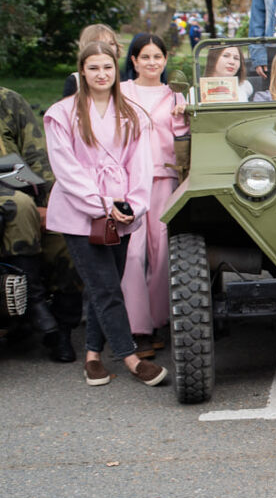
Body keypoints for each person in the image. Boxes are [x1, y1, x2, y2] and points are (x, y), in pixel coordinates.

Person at [43, 41, 167, 387]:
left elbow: (140, 164)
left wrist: (133, 204)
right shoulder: (61, 113)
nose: (101, 74)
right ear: (82, 71)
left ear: (116, 70)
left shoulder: (131, 114)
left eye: (107, 67)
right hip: (80, 211)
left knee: (106, 286)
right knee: (108, 288)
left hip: (123, 210)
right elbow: (66, 168)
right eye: (94, 67)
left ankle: (92, 356)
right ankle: (130, 357)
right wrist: (101, 203)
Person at [119, 34, 188, 358]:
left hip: (162, 176)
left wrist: (182, 116)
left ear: (164, 59)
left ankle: (160, 320)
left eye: (156, 57)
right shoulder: (121, 92)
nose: (151, 62)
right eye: (144, 57)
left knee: (161, 252)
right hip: (127, 181)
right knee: (133, 253)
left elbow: (181, 138)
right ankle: (138, 328)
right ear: (133, 60)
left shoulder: (173, 94)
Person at [0, 87, 81, 362]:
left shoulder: (8, 101)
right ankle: (35, 306)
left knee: (64, 232)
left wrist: (50, 202)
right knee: (20, 207)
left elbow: (36, 156)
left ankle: (63, 329)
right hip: (13, 200)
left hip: (14, 185)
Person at [64, 24, 121, 98]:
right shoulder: (75, 81)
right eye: (101, 43)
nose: (107, 48)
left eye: (111, 43)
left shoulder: (125, 79)